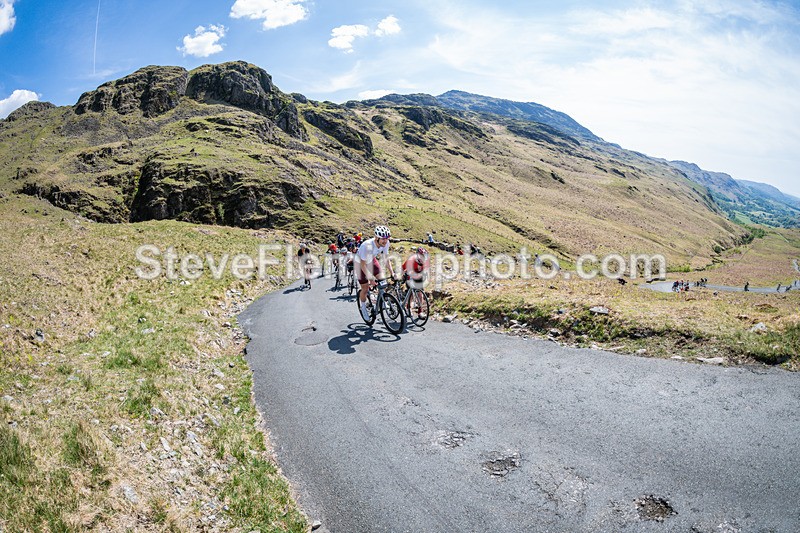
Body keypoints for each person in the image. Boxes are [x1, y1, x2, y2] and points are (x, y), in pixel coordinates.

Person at [355, 226, 395, 317]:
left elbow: (386, 259)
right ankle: (363, 307)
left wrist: (392, 272)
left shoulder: (386, 243)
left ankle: (382, 301)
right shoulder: (366, 245)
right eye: (383, 239)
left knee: (382, 280)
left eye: (387, 238)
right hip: (360, 263)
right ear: (377, 238)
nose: (385, 241)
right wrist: (370, 278)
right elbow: (362, 265)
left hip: (371, 260)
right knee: (365, 288)